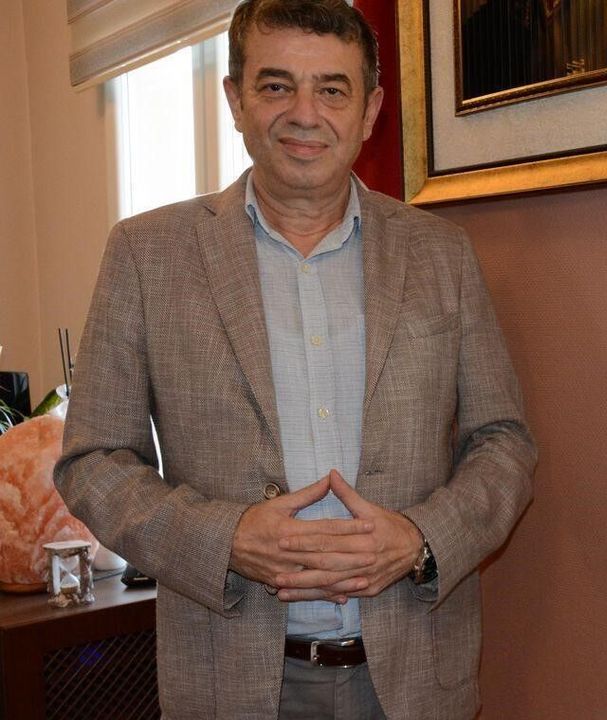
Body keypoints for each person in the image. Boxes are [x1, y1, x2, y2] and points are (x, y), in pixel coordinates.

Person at [54, 1, 536, 718]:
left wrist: (419, 540)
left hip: (413, 682)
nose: (305, 114)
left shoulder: (443, 255)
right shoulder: (146, 255)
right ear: (235, 100)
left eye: (332, 89)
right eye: (277, 85)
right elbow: (92, 461)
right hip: (230, 683)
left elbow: (504, 444)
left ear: (370, 110)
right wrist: (226, 540)